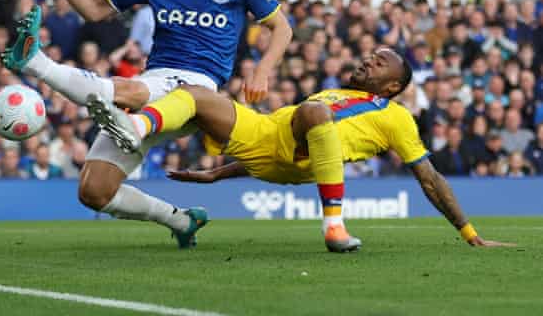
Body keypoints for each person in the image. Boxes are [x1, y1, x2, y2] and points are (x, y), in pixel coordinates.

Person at [3, 0, 292, 248]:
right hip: (157, 80)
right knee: (94, 191)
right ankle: (180, 220)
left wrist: (261, 71)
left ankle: (35, 62)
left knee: (131, 92)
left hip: (197, 90)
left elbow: (281, 27)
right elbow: (94, 9)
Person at [90, 48, 513, 251]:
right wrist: (217, 174)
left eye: (380, 63)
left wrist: (470, 233)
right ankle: (136, 123)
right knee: (196, 93)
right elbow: (274, 150)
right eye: (370, 56)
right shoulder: (335, 91)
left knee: (313, 113)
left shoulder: (397, 117)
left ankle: (334, 227)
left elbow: (430, 178)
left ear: (393, 87)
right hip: (263, 138)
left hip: (304, 157)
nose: (368, 60)